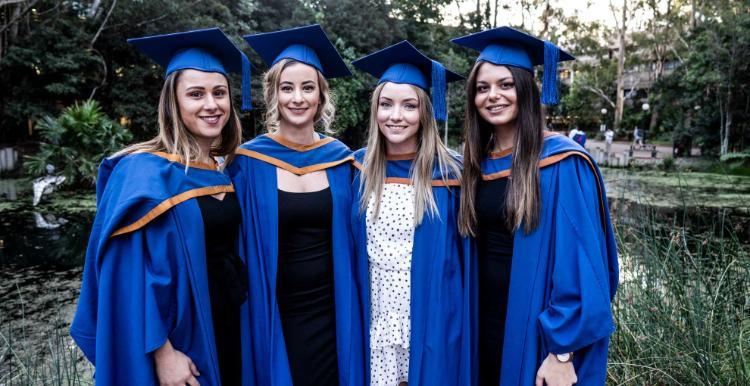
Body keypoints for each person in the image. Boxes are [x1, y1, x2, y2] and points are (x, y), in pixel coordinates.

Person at [70, 28, 252, 385]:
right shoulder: (144, 172)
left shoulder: (223, 169)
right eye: (196, 94)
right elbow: (126, 275)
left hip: (228, 325)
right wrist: (162, 353)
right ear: (174, 102)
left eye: (219, 93)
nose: (211, 104)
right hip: (181, 333)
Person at [452, 26, 619, 386]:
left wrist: (562, 351)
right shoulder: (473, 164)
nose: (493, 96)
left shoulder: (561, 162)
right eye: (483, 88)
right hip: (480, 322)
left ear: (527, 90)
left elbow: (583, 262)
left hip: (534, 328)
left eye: (505, 84)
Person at [228, 24, 365, 386]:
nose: (298, 98)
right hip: (274, 308)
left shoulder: (341, 162)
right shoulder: (248, 163)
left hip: (334, 309)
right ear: (274, 96)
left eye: (308, 88)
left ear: (321, 96)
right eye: (287, 88)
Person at [350, 42, 471, 386]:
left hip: (430, 312)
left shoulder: (451, 174)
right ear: (375, 110)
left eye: (409, 105)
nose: (396, 116)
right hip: (375, 311)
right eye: (386, 104)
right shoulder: (357, 168)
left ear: (425, 113)